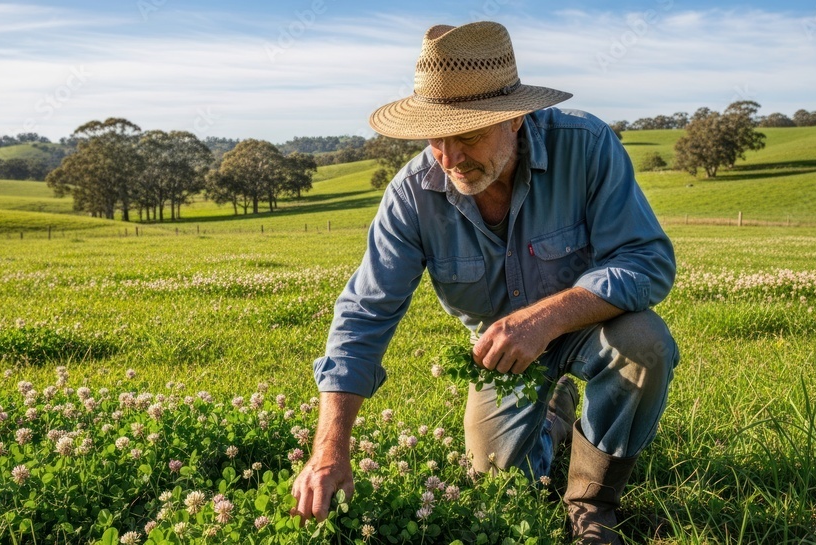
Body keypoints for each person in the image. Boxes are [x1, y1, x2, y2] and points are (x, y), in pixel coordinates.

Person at [291, 21, 679, 543]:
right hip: (500, 355)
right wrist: (329, 448)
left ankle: (592, 503)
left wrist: (545, 318)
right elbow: (365, 314)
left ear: (514, 118)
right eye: (436, 138)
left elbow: (646, 259)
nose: (450, 159)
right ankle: (555, 416)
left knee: (645, 342)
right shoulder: (412, 195)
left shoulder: (585, 146)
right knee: (495, 481)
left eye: (468, 137)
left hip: (589, 326)